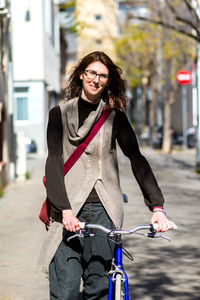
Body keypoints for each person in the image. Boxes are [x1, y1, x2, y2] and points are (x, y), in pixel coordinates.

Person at [40, 51, 175, 300]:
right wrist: (65, 210)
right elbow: (54, 162)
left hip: (104, 211)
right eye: (92, 72)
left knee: (98, 289)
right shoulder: (58, 114)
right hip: (67, 212)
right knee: (64, 291)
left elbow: (136, 158)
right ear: (82, 74)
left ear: (108, 81)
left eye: (103, 76)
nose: (96, 79)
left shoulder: (114, 118)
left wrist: (157, 207)